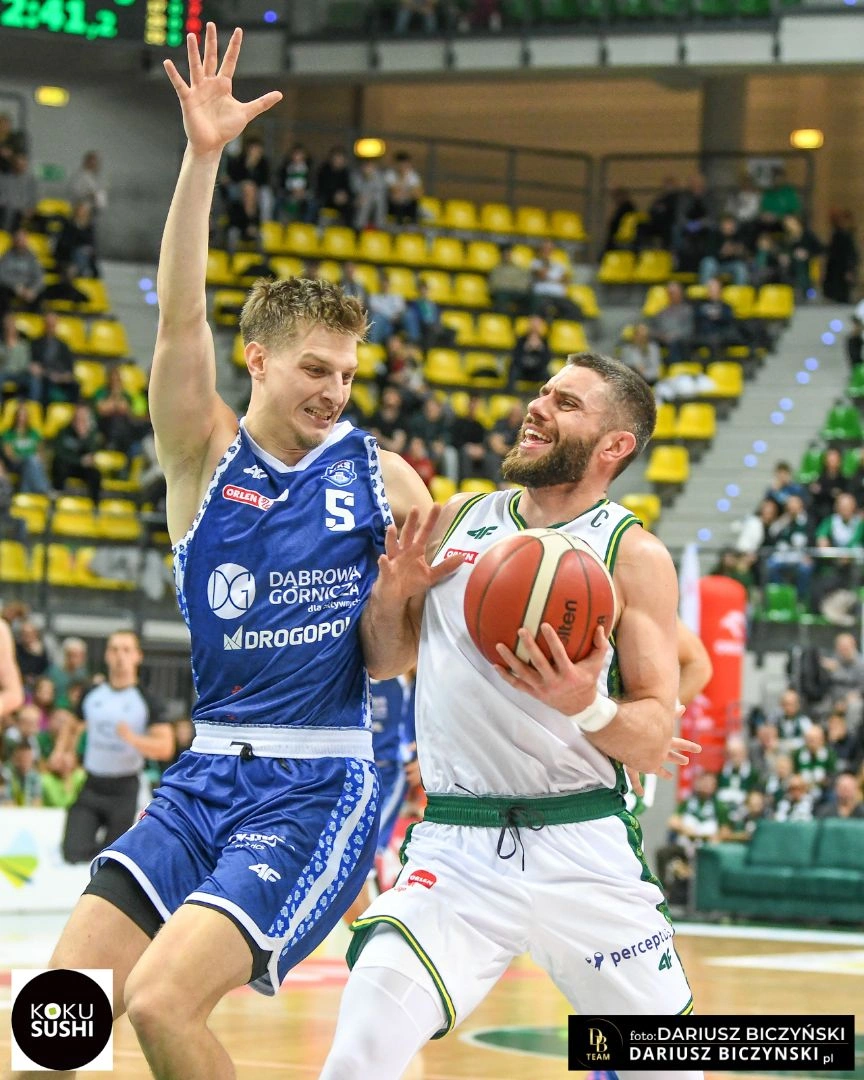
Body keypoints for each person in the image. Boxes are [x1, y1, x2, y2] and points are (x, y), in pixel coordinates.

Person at [10, 26, 454, 1080]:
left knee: (162, 1005)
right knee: (60, 1011)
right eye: (315, 369)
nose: (335, 392)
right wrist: (202, 157)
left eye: (348, 374)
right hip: (206, 769)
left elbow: (394, 661)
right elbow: (179, 322)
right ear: (257, 359)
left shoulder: (387, 483)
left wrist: (396, 600)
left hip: (317, 783)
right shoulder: (202, 455)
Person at [321, 352, 703, 1080]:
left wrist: (584, 702)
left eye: (566, 403)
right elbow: (385, 660)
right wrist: (392, 595)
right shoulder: (457, 519)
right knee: (357, 1057)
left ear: (615, 445)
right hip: (457, 848)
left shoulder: (633, 554)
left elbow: (656, 735)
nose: (538, 407)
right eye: (543, 392)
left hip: (584, 847)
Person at [49, 631, 175, 864]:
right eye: (114, 649)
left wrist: (133, 739)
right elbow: (72, 725)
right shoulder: (92, 693)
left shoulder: (147, 700)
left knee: (114, 859)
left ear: (137, 656)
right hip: (92, 783)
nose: (120, 656)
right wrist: (63, 752)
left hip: (125, 789)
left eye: (126, 650)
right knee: (72, 850)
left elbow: (165, 747)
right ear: (107, 655)